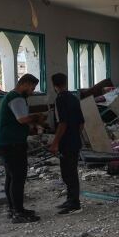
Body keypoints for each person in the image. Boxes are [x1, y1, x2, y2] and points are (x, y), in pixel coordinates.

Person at [0, 74, 46, 223]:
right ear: (24, 84)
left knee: (11, 177)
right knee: (18, 178)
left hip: (5, 143)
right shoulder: (17, 98)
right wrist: (38, 117)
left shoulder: (10, 97)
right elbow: (22, 119)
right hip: (11, 144)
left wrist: (31, 127)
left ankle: (14, 209)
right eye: (32, 88)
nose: (32, 91)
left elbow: (18, 122)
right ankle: (18, 213)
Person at [49, 73, 84, 215]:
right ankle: (71, 199)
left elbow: (62, 123)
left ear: (54, 85)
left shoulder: (60, 99)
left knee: (68, 173)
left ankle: (74, 203)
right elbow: (81, 123)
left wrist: (55, 143)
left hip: (66, 142)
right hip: (75, 140)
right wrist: (75, 135)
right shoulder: (74, 98)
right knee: (70, 172)